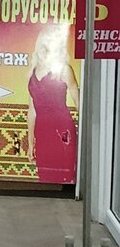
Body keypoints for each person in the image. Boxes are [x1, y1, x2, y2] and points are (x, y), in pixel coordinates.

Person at [27, 26, 79, 183]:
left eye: (49, 45)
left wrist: (86, 135)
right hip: (42, 132)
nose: (44, 49)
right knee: (45, 177)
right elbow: (32, 111)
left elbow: (79, 103)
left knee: (65, 176)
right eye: (42, 44)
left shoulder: (64, 70)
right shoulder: (32, 73)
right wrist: (30, 143)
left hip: (62, 131)